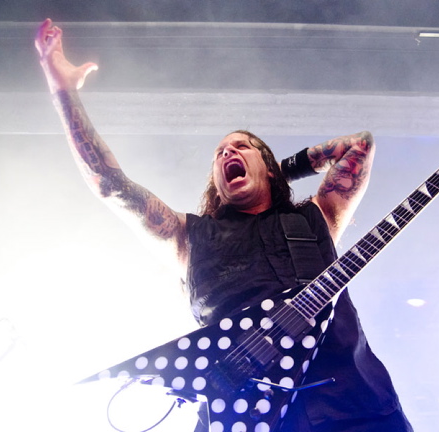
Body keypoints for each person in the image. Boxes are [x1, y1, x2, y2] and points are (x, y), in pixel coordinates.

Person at [35, 18, 413, 432]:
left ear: (267, 166)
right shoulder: (189, 238)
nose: (227, 153)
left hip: (355, 410)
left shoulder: (315, 216)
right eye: (219, 154)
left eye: (241, 147)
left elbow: (359, 145)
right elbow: (112, 186)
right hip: (245, 415)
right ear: (215, 182)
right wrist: (63, 90)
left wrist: (277, 171)